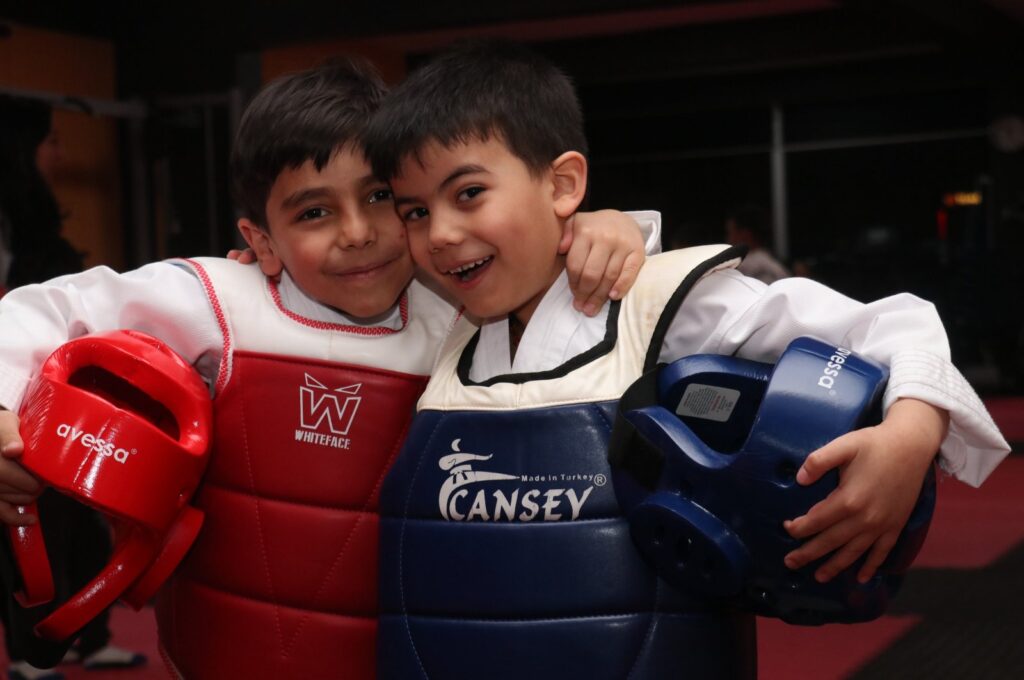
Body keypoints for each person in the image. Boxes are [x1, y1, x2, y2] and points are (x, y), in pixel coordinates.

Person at [362, 39, 1010, 679]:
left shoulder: (666, 303)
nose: (440, 233)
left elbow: (896, 326)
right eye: (415, 210)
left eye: (468, 193)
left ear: (562, 184)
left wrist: (913, 432)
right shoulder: (443, 327)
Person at [0, 60, 656, 678]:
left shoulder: (457, 318)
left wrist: (610, 231)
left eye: (380, 198)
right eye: (313, 212)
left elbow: (560, 289)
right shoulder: (221, 298)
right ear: (261, 240)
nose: (357, 232)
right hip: (217, 653)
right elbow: (46, 308)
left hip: (402, 653)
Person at [0, 95, 146, 680]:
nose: (59, 153)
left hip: (66, 389)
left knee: (84, 520)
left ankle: (87, 636)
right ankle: (32, 655)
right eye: (50, 142)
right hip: (18, 395)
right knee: (30, 524)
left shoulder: (36, 221)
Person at [724, 203, 791, 284]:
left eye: (730, 232)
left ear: (745, 234)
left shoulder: (756, 266)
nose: (728, 238)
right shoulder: (770, 261)